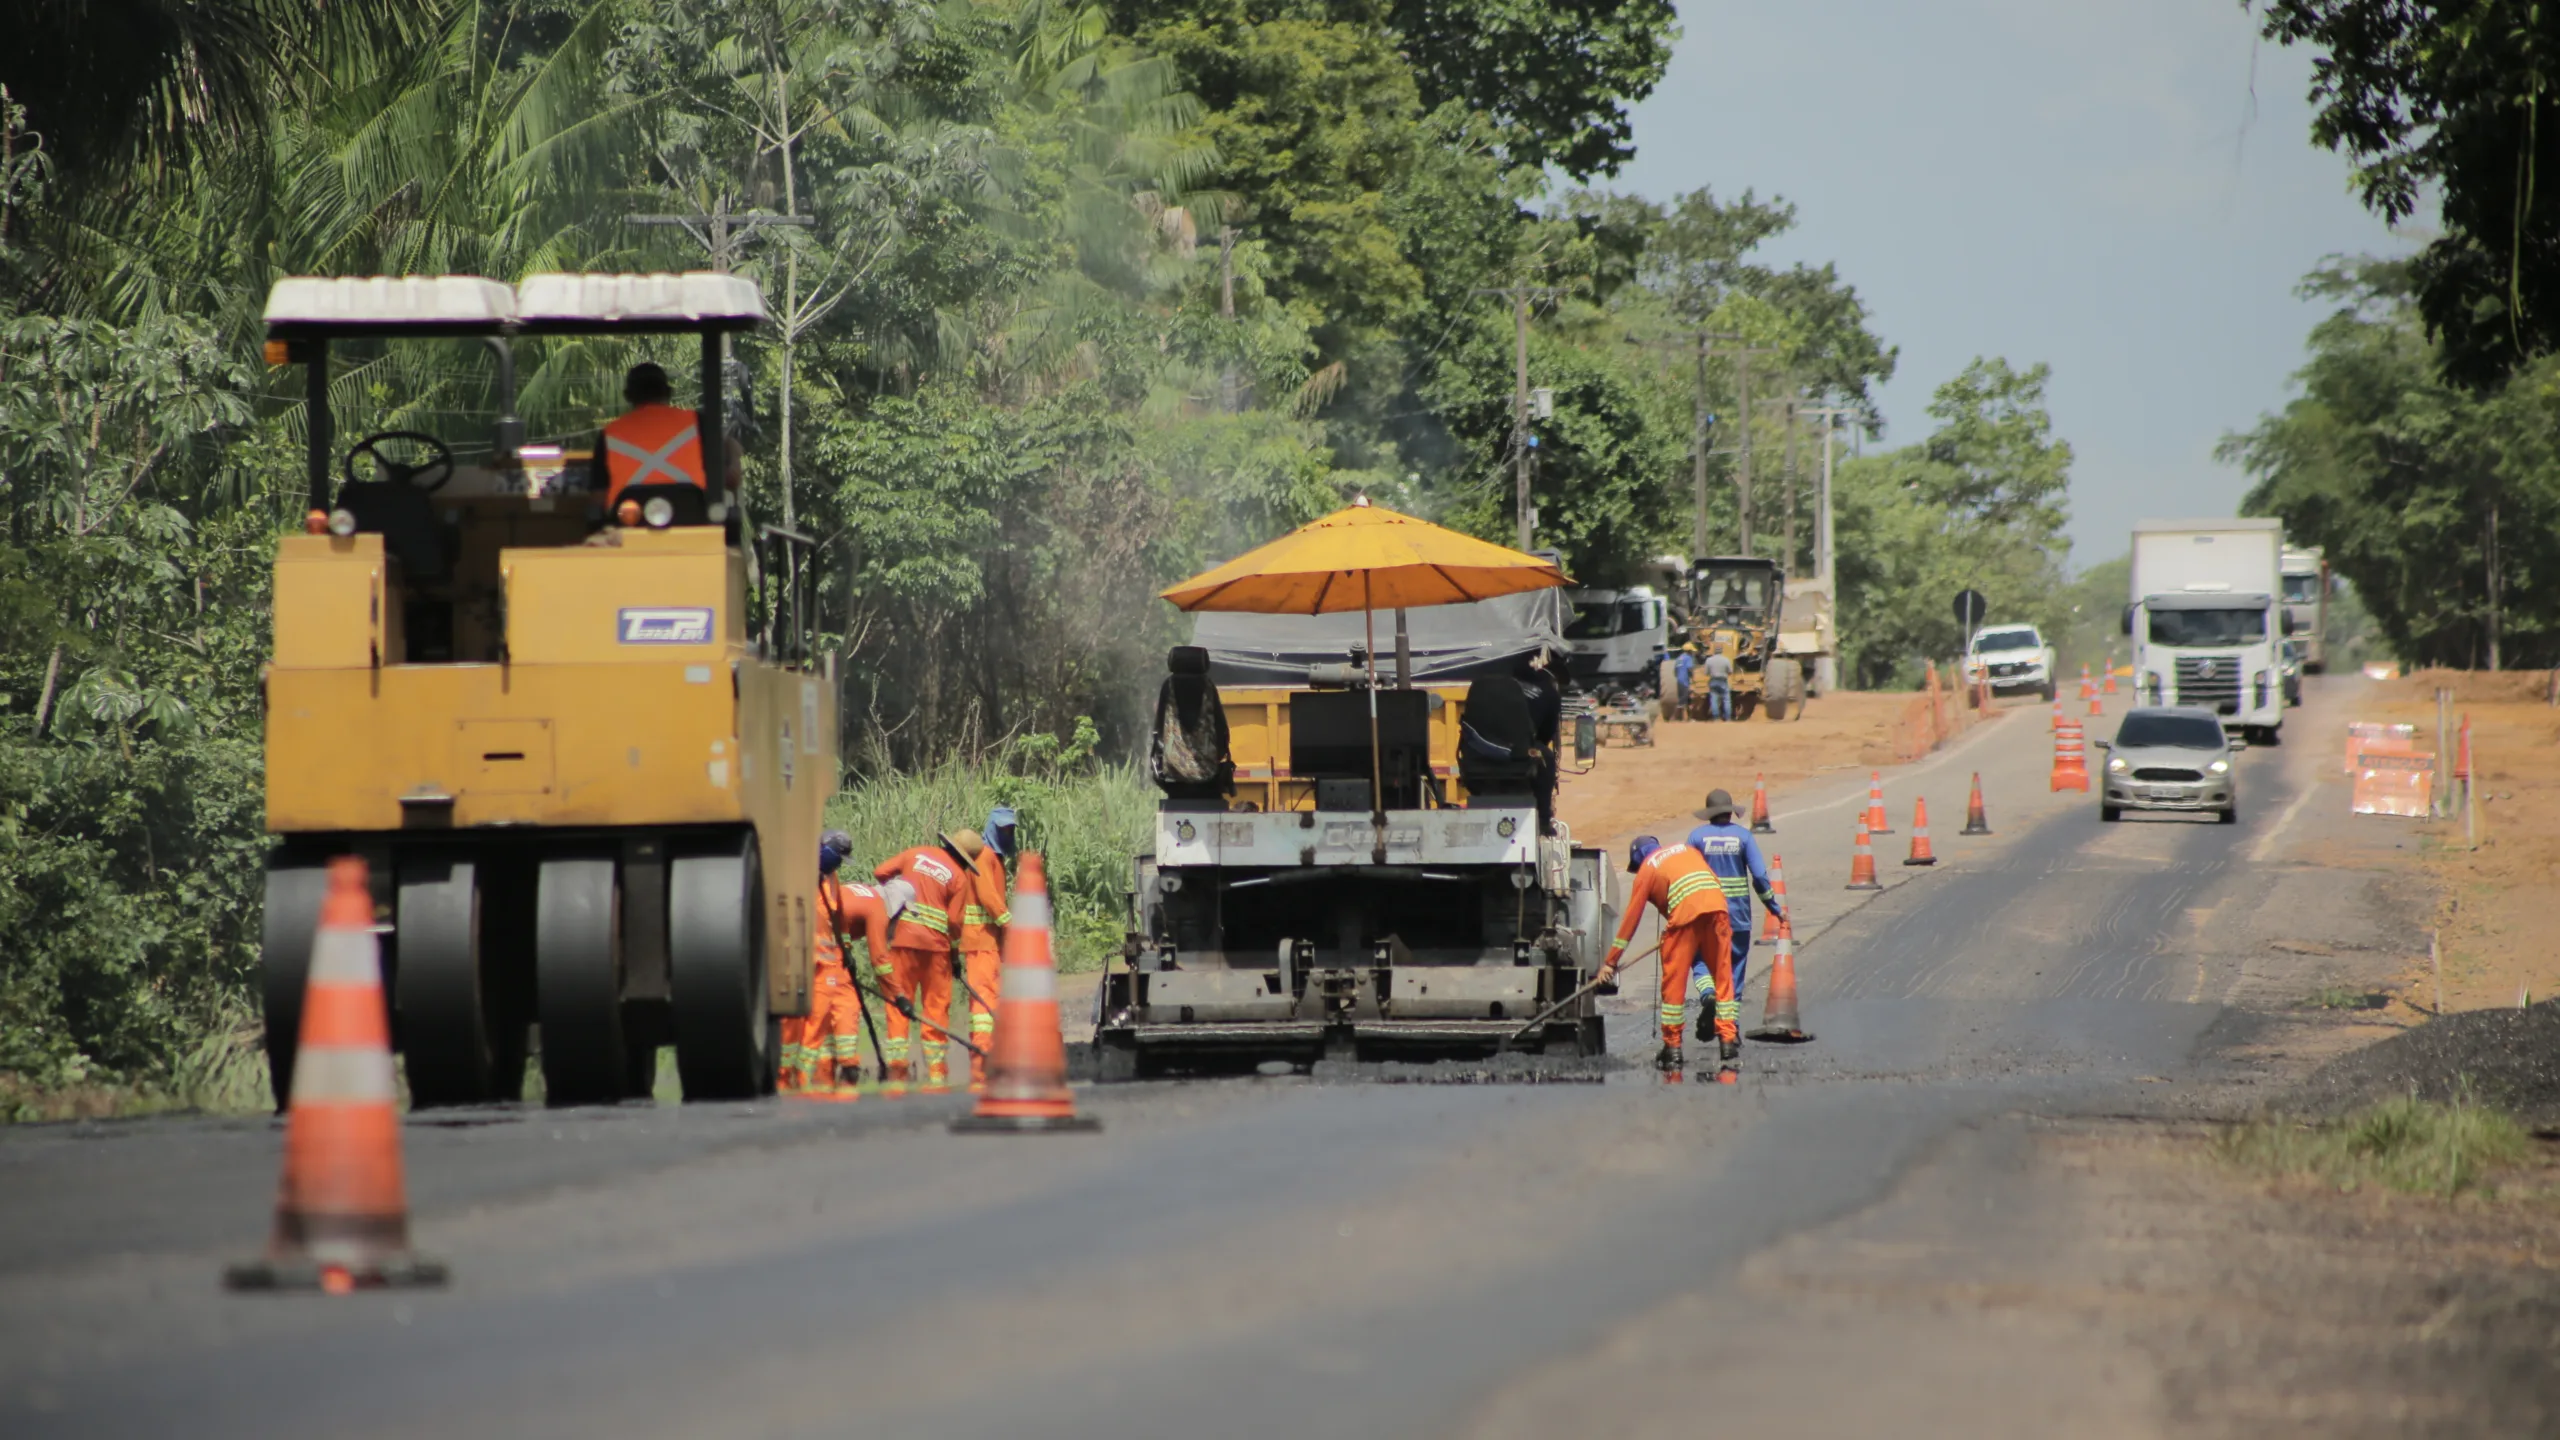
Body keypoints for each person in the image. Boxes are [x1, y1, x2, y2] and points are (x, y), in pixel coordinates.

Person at [1599, 834, 1734, 1071]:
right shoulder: (1687, 850)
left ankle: (1673, 1049)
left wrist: (1610, 962)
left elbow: (1631, 919)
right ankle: (1728, 1042)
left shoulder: (1647, 869)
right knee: (1723, 977)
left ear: (1638, 859)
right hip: (1718, 909)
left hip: (1684, 919)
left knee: (1674, 985)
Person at [784, 831, 893, 1096]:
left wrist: (847, 951)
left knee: (820, 1022)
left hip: (825, 963)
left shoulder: (831, 878)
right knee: (803, 1024)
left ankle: (811, 1078)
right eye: (838, 856)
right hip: (799, 958)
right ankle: (792, 1078)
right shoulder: (797, 871)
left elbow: (838, 918)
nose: (840, 863)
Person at [1684, 788, 1786, 1059]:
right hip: (1737, 918)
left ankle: (1707, 995)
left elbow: (1684, 874)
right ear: (1730, 811)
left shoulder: (1696, 838)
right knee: (1734, 971)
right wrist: (1773, 908)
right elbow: (1760, 878)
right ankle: (1731, 1029)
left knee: (1700, 961)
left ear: (1709, 814)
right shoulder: (1743, 836)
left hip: (1704, 915)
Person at [871, 838, 971, 1087]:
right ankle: (936, 1073)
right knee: (935, 1010)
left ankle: (898, 1071)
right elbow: (956, 924)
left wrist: (893, 896)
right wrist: (955, 957)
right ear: (965, 859)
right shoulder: (959, 877)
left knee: (898, 1004)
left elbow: (880, 872)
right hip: (937, 950)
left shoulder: (915, 854)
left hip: (903, 941)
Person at [594, 362, 744, 506]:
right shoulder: (697, 423)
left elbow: (598, 500)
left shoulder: (609, 434)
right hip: (692, 520)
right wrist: (734, 454)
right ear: (668, 392)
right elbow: (731, 478)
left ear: (627, 396)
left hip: (628, 525)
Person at [947, 827, 1009, 1087]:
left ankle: (986, 1066)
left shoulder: (967, 861)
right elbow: (988, 897)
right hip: (982, 944)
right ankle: (982, 1070)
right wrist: (1010, 925)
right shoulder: (984, 858)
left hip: (978, 944)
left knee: (985, 1005)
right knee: (984, 1006)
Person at [1702, 648, 1734, 721]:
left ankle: (1716, 718)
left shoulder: (1709, 660)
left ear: (1714, 651)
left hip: (1713, 681)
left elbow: (1706, 673)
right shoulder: (1726, 660)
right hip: (1723, 681)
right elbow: (1730, 672)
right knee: (1726, 699)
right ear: (1722, 651)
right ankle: (1728, 718)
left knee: (1714, 699)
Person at [1672, 649, 1696, 720]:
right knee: (1682, 701)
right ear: (1689, 651)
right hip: (1685, 682)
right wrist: (1693, 676)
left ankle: (1689, 718)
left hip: (1679, 681)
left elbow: (1675, 672)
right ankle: (1673, 718)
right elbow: (1690, 669)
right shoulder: (1688, 658)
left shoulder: (1678, 658)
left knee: (1688, 700)